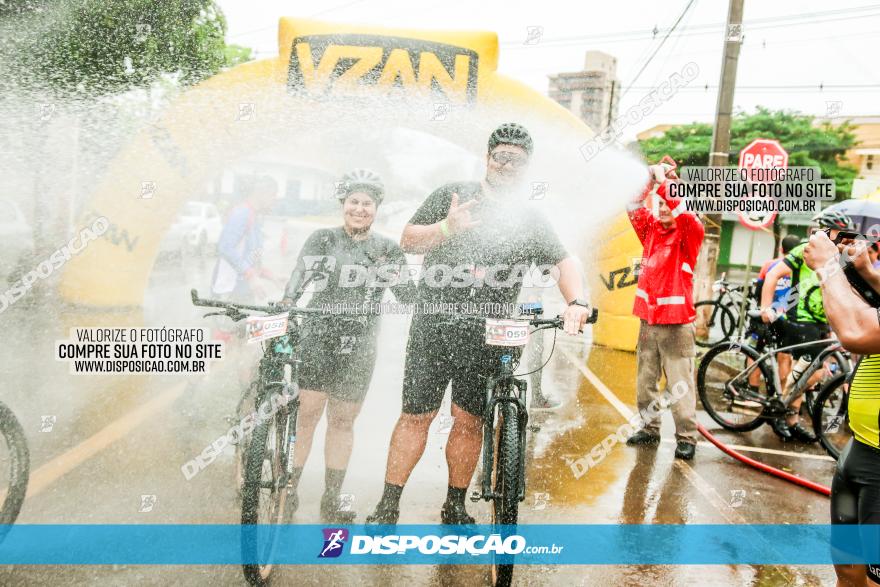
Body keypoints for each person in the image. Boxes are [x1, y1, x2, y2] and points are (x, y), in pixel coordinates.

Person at [365, 123, 592, 525]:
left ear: (526, 167)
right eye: (501, 156)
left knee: (469, 421)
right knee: (417, 416)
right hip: (434, 326)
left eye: (517, 159)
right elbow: (408, 240)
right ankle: (388, 504)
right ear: (487, 157)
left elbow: (564, 261)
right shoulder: (452, 195)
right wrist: (446, 228)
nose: (508, 164)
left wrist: (577, 301)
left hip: (489, 333)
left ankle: (455, 505)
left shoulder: (529, 217)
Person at [280, 169, 415, 524]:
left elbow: (408, 295)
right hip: (317, 336)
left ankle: (331, 498)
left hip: (359, 345)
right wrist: (286, 302)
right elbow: (298, 278)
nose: (359, 208)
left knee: (342, 421)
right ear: (343, 204)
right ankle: (288, 489)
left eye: (366, 203)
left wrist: (396, 273)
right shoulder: (322, 239)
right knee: (307, 415)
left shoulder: (387, 249)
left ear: (376, 208)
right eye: (353, 202)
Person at [803, 231, 880, 587]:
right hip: (859, 451)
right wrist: (865, 271)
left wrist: (828, 267)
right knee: (848, 570)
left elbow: (856, 332)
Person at [624, 162, 704, 460]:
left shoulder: (689, 233)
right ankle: (649, 429)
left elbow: (681, 208)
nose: (665, 208)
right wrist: (647, 179)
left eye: (670, 203)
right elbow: (633, 206)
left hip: (676, 324)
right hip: (649, 320)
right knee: (645, 381)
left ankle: (687, 437)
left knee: (679, 384)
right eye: (662, 204)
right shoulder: (652, 232)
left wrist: (663, 181)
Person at [760, 210, 855, 442]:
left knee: (807, 372)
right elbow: (773, 275)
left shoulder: (840, 256)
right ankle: (782, 409)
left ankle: (790, 418)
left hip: (821, 320)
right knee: (815, 371)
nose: (845, 238)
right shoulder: (806, 249)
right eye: (841, 233)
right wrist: (766, 308)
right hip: (801, 319)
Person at [210, 175, 278, 304]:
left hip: (243, 290)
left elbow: (249, 258)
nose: (275, 199)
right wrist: (251, 276)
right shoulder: (242, 213)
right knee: (230, 325)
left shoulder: (254, 217)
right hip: (228, 291)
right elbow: (225, 247)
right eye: (273, 194)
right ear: (261, 192)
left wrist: (270, 276)